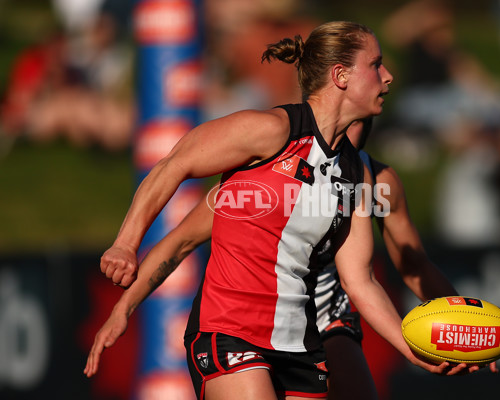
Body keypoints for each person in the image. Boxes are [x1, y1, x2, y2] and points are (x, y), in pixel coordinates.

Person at [85, 21, 477, 399]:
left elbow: (361, 280)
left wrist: (417, 350)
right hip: (230, 332)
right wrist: (125, 252)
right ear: (340, 76)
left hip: (303, 340)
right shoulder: (270, 132)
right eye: (376, 65)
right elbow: (176, 166)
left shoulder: (360, 176)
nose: (388, 76)